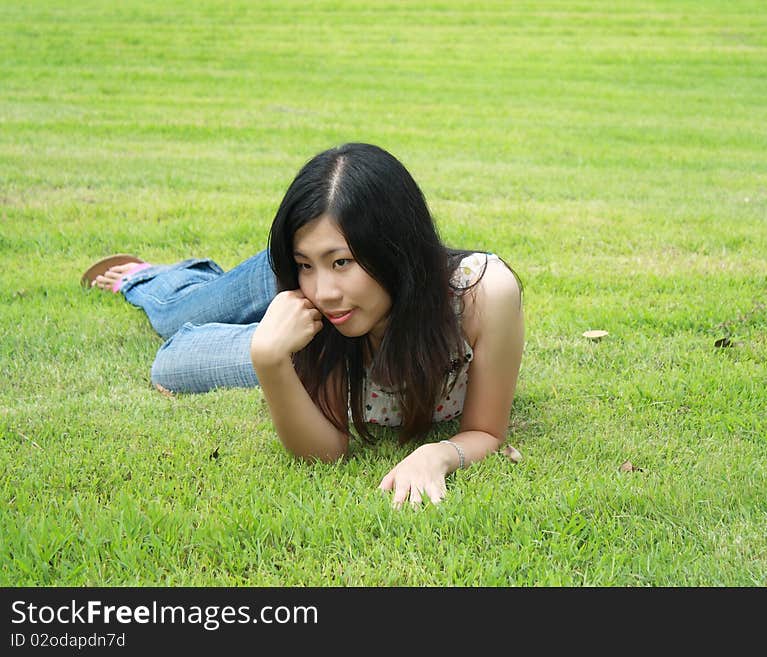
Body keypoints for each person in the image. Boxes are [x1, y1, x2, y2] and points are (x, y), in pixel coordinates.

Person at [83, 143, 525, 507]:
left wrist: (438, 455)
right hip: (277, 286)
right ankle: (144, 278)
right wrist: (269, 356)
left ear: (396, 249)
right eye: (306, 266)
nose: (324, 291)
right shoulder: (312, 294)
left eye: (342, 262)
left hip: (346, 299)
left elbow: (484, 431)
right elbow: (319, 287)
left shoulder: (480, 296)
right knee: (174, 331)